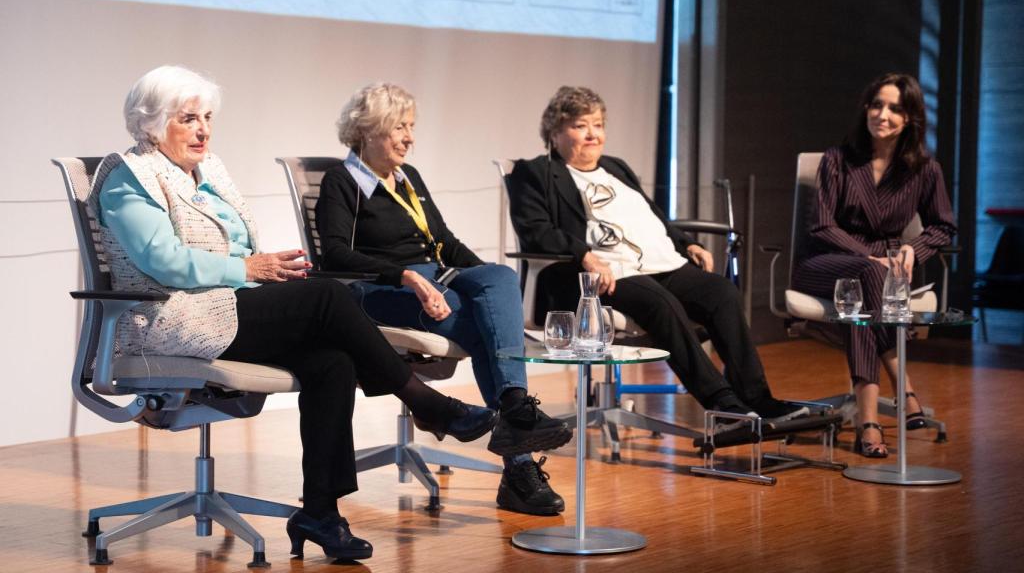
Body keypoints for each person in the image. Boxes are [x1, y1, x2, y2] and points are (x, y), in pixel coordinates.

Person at [94, 66, 497, 561]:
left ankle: (321, 514)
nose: (203, 129)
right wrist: (246, 266)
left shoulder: (208, 171)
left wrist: (263, 271)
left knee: (333, 360)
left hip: (227, 305)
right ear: (151, 122)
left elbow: (240, 249)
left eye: (207, 117)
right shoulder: (126, 179)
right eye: (188, 118)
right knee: (329, 298)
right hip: (168, 321)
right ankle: (425, 401)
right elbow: (165, 262)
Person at [315, 83, 573, 516]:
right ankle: (519, 463)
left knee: (500, 278)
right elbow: (334, 254)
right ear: (368, 129)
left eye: (411, 127)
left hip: (440, 281)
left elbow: (445, 242)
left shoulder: (408, 177)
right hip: (383, 291)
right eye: (399, 127)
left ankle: (514, 411)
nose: (409, 137)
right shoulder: (341, 181)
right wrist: (407, 276)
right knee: (489, 333)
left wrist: (486, 283)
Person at [507, 86, 808, 424]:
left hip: (654, 263)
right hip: (596, 274)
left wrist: (685, 243)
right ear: (555, 132)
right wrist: (585, 255)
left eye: (598, 124)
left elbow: (651, 216)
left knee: (721, 292)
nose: (593, 134)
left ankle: (758, 398)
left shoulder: (615, 167)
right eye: (580, 126)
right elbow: (536, 230)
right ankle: (722, 402)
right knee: (660, 303)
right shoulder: (535, 173)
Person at [792, 73, 956, 457]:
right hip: (824, 263)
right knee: (869, 273)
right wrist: (868, 257)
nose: (882, 114)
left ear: (910, 118)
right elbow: (822, 226)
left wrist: (915, 249)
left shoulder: (925, 170)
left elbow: (943, 225)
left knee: (869, 287)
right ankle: (904, 388)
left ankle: (869, 421)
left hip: (884, 273)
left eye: (895, 108)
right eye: (876, 104)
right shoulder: (837, 160)